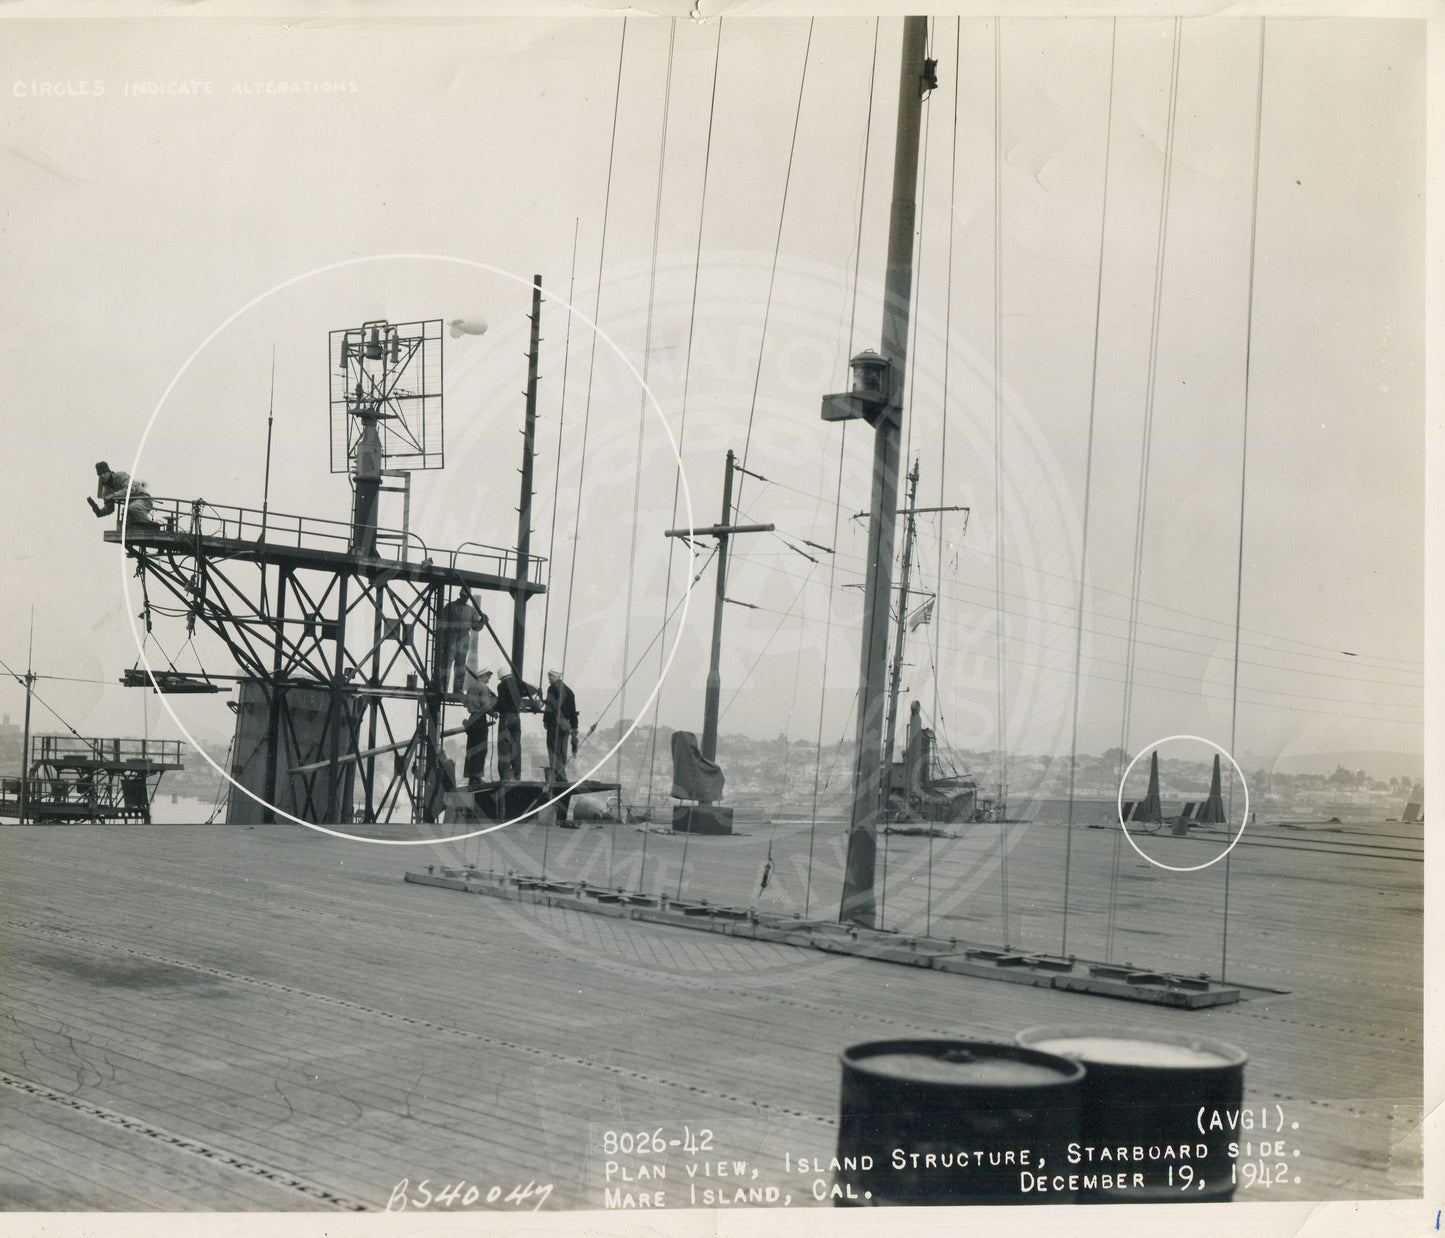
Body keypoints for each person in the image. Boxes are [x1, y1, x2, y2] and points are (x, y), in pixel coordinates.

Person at [435, 593, 486, 695]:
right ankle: (442, 688)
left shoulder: (471, 610)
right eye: (464, 595)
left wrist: (482, 621)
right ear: (460, 595)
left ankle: (457, 690)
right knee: (446, 665)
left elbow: (476, 627)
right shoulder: (451, 606)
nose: (465, 598)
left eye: (466, 596)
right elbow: (442, 622)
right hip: (451, 639)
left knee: (460, 667)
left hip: (463, 641)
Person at [493, 669, 537, 781]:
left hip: (506, 717)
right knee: (516, 746)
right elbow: (532, 690)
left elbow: (501, 703)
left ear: (501, 677)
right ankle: (517, 776)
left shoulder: (501, 686)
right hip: (517, 718)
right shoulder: (518, 683)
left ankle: (505, 777)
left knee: (504, 747)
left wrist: (494, 708)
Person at [88, 461, 159, 528]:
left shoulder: (121, 476)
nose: (102, 476)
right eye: (100, 474)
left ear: (109, 472)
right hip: (130, 505)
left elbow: (130, 489)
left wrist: (113, 495)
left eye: (104, 473)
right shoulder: (106, 490)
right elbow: (110, 509)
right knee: (126, 521)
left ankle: (151, 528)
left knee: (133, 508)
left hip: (144, 499)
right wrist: (98, 510)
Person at [542, 669, 579, 784]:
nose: (549, 679)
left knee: (553, 749)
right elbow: (573, 711)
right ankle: (561, 775)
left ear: (555, 676)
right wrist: (574, 725)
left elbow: (549, 706)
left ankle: (560, 777)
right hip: (566, 724)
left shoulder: (552, 688)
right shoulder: (569, 691)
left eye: (550, 676)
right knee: (562, 751)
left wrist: (545, 720)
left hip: (555, 722)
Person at [462, 668, 498, 788]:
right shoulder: (483, 687)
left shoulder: (471, 687)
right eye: (488, 677)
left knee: (471, 748)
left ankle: (471, 777)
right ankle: (477, 777)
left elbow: (465, 703)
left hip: (471, 718)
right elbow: (486, 706)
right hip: (480, 719)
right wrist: (493, 713)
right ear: (483, 676)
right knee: (481, 749)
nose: (488, 680)